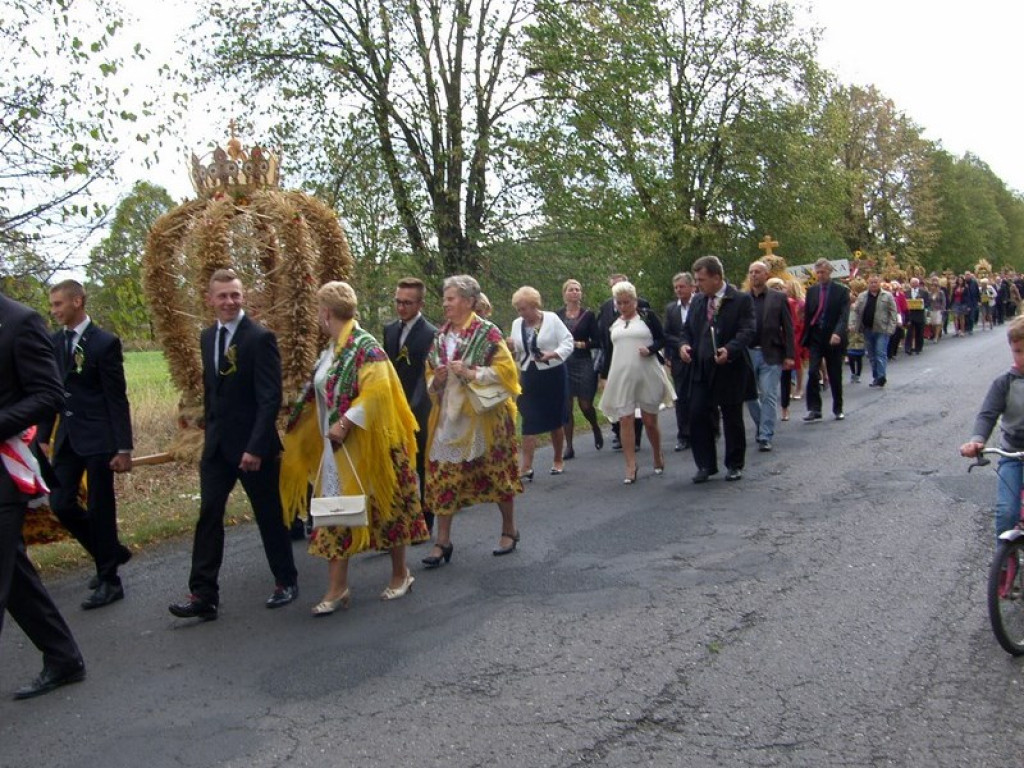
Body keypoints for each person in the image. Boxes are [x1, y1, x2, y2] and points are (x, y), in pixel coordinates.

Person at [281, 282, 429, 616]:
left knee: (386, 511)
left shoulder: (365, 347)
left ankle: (400, 574)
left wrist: (346, 422)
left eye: (318, 310)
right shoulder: (332, 350)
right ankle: (337, 588)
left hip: (371, 448)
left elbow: (377, 393)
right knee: (336, 515)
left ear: (325, 313)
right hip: (336, 451)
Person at [169, 269, 299, 621]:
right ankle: (203, 594)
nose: (229, 301)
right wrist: (206, 434)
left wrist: (255, 447)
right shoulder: (207, 337)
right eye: (223, 296)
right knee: (209, 515)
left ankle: (286, 580)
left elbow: (269, 398)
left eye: (235, 295)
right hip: (217, 448)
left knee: (269, 515)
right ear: (210, 299)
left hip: (254, 448)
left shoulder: (259, 338)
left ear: (243, 297)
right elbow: (214, 392)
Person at [0, 291, 86, 700]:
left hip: (5, 472)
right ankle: (63, 657)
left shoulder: (19, 322)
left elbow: (49, 394)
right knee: (14, 577)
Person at [37, 280, 134, 610]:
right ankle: (110, 552)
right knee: (61, 503)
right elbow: (51, 392)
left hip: (100, 437)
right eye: (52, 305)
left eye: (58, 304)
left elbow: (116, 398)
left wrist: (123, 447)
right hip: (67, 438)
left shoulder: (104, 343)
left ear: (77, 301)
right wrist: (43, 437)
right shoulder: (54, 343)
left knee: (100, 509)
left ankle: (110, 581)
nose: (54, 310)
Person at [421, 275, 522, 567]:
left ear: (468, 301)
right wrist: (437, 380)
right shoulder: (440, 336)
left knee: (497, 474)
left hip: (484, 420)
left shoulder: (487, 333)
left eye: (450, 298)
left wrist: (472, 372)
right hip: (449, 420)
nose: (445, 304)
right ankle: (443, 541)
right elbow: (430, 373)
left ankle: (509, 530)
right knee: (443, 477)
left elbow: (507, 373)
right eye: (445, 299)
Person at [679, 255, 756, 483]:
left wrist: (730, 350)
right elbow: (687, 330)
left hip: (729, 368)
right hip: (701, 368)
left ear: (716, 277)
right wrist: (683, 345)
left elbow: (748, 330)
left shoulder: (740, 299)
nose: (697, 285)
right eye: (696, 280)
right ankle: (705, 464)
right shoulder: (698, 301)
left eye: (701, 280)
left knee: (732, 417)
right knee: (697, 413)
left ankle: (734, 464)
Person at [598, 281, 673, 484]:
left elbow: (662, 339)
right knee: (625, 418)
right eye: (619, 303)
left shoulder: (647, 317)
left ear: (635, 300)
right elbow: (608, 351)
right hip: (621, 375)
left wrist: (650, 349)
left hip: (647, 373)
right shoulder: (613, 323)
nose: (623, 306)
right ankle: (630, 465)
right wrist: (604, 376)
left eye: (627, 302)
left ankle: (657, 453)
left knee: (649, 421)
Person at [960, 316, 1024, 539]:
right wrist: (977, 440)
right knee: (1006, 512)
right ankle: (1005, 555)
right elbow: (987, 415)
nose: (1022, 357)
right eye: (1018, 351)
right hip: (1013, 455)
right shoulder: (1004, 383)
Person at [383, 277, 437, 532]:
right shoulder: (390, 330)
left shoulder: (431, 333)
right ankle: (399, 519)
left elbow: (426, 375)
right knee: (396, 463)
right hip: (394, 407)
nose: (401, 307)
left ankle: (426, 519)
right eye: (398, 301)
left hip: (420, 408)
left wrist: (413, 406)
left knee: (422, 463)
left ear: (420, 304)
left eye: (407, 303)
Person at [508, 286, 573, 478]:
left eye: (524, 309)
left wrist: (552, 354)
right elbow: (518, 353)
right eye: (518, 309)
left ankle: (558, 459)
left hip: (553, 373)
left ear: (534, 305)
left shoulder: (551, 319)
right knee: (528, 418)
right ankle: (526, 466)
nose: (521, 313)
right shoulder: (516, 323)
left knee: (554, 419)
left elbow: (568, 342)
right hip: (529, 374)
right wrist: (511, 348)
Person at [744, 261, 794, 453]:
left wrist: (789, 355)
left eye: (757, 272)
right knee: (749, 395)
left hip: (771, 353)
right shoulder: (743, 299)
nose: (754, 275)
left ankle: (765, 435)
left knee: (768, 394)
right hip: (748, 352)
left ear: (766, 275)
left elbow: (788, 328)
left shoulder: (778, 298)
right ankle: (761, 424)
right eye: (751, 272)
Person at [597, 273, 649, 451]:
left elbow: (653, 335)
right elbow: (604, 338)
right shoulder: (605, 307)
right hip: (613, 358)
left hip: (637, 360)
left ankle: (636, 438)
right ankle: (620, 434)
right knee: (619, 400)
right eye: (614, 287)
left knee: (635, 402)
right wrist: (604, 372)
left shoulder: (642, 305)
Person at [555, 279, 603, 458]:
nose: (575, 292)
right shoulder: (557, 315)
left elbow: (597, 341)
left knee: (585, 405)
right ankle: (569, 446)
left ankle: (595, 426)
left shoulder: (588, 315)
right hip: (564, 363)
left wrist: (582, 344)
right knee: (566, 406)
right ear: (564, 294)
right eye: (571, 289)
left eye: (577, 289)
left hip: (583, 362)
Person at [801, 259, 850, 422]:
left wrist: (838, 333)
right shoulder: (812, 291)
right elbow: (808, 315)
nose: (820, 275)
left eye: (823, 272)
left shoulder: (841, 291)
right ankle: (814, 408)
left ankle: (838, 408)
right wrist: (806, 336)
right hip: (816, 336)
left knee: (835, 373)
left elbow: (844, 315)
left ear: (830, 272)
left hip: (833, 337)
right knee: (812, 371)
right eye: (818, 272)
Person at [662, 272, 695, 452]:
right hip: (678, 358)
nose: (678, 290)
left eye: (682, 286)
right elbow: (666, 334)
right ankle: (684, 435)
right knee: (681, 397)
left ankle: (705, 431)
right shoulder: (671, 309)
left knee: (700, 395)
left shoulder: (700, 304)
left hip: (698, 356)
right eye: (676, 287)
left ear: (691, 287)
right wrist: (679, 347)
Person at [851, 275, 899, 389]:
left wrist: (891, 328)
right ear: (868, 284)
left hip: (882, 329)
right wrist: (854, 324)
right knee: (872, 355)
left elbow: (893, 313)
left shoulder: (887, 296)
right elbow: (856, 311)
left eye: (875, 282)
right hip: (867, 329)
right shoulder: (862, 296)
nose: (873, 284)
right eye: (871, 282)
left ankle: (881, 377)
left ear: (879, 283)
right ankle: (876, 377)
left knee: (880, 353)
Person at [903, 277, 929, 355]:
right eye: (912, 283)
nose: (913, 284)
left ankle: (918, 348)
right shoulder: (906, 292)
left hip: (919, 314)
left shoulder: (924, 292)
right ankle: (908, 348)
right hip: (910, 315)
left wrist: (922, 305)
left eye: (915, 283)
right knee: (909, 332)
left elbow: (928, 303)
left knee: (919, 332)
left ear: (918, 283)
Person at [928, 277, 946, 343]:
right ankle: (935, 334)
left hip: (939, 309)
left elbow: (943, 301)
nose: (932, 287)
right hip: (932, 309)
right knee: (933, 324)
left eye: (934, 286)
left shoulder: (941, 293)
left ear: (937, 287)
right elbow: (928, 302)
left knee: (938, 323)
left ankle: (936, 336)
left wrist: (943, 309)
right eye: (932, 286)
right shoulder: (930, 293)